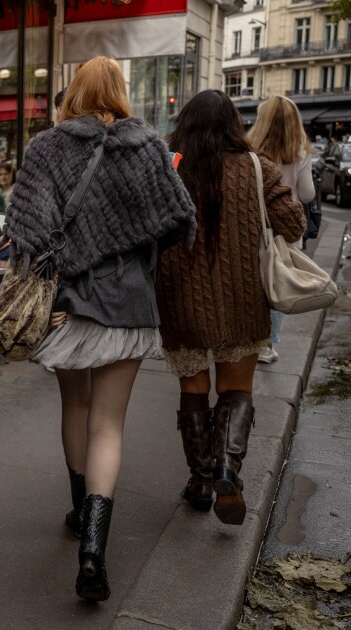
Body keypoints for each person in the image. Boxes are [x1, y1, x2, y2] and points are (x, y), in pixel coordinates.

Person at [5, 56, 197, 602]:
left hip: (70, 303)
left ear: (74, 92)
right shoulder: (150, 148)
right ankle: (94, 550)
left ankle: (77, 512)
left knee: (76, 406)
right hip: (129, 299)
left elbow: (29, 232)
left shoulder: (48, 147)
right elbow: (177, 221)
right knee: (109, 424)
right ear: (119, 91)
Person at [159, 90, 305, 527]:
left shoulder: (169, 165)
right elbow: (294, 224)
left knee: (194, 389)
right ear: (233, 125)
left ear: (185, 123)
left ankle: (201, 482)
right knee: (236, 388)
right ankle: (227, 467)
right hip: (241, 298)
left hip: (180, 297)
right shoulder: (258, 167)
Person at [245, 96, 316, 364]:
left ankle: (251, 338)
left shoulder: (250, 150)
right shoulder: (301, 152)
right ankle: (269, 344)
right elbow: (307, 195)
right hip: (287, 229)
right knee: (278, 283)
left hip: (256, 226)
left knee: (255, 284)